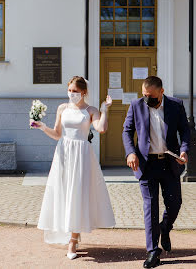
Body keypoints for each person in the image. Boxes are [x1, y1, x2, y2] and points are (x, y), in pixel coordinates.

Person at [31, 76, 115, 260]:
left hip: (82, 155)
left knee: (78, 194)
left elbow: (101, 128)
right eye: (69, 91)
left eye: (75, 91)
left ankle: (73, 239)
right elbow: (57, 134)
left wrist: (104, 110)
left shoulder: (90, 110)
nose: (72, 94)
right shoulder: (62, 108)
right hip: (63, 154)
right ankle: (68, 231)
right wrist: (42, 126)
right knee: (63, 192)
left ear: (84, 92)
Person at [122, 76, 190, 268]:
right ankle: (153, 251)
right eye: (144, 95)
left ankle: (165, 227)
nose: (147, 99)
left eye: (151, 96)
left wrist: (184, 150)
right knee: (150, 207)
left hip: (170, 163)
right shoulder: (136, 105)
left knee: (175, 203)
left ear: (161, 91)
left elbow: (185, 130)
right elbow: (127, 131)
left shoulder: (176, 105)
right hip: (146, 164)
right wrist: (130, 153)